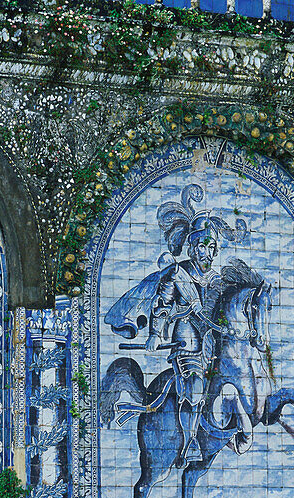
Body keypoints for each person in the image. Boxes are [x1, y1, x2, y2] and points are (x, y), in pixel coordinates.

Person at [105, 183, 246, 468]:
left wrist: (235, 328)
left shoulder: (218, 280)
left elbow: (223, 313)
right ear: (192, 248)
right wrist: (156, 334)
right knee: (194, 386)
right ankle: (191, 441)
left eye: (211, 247)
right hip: (187, 340)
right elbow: (161, 306)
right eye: (201, 247)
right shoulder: (178, 274)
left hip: (214, 344)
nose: (207, 253)